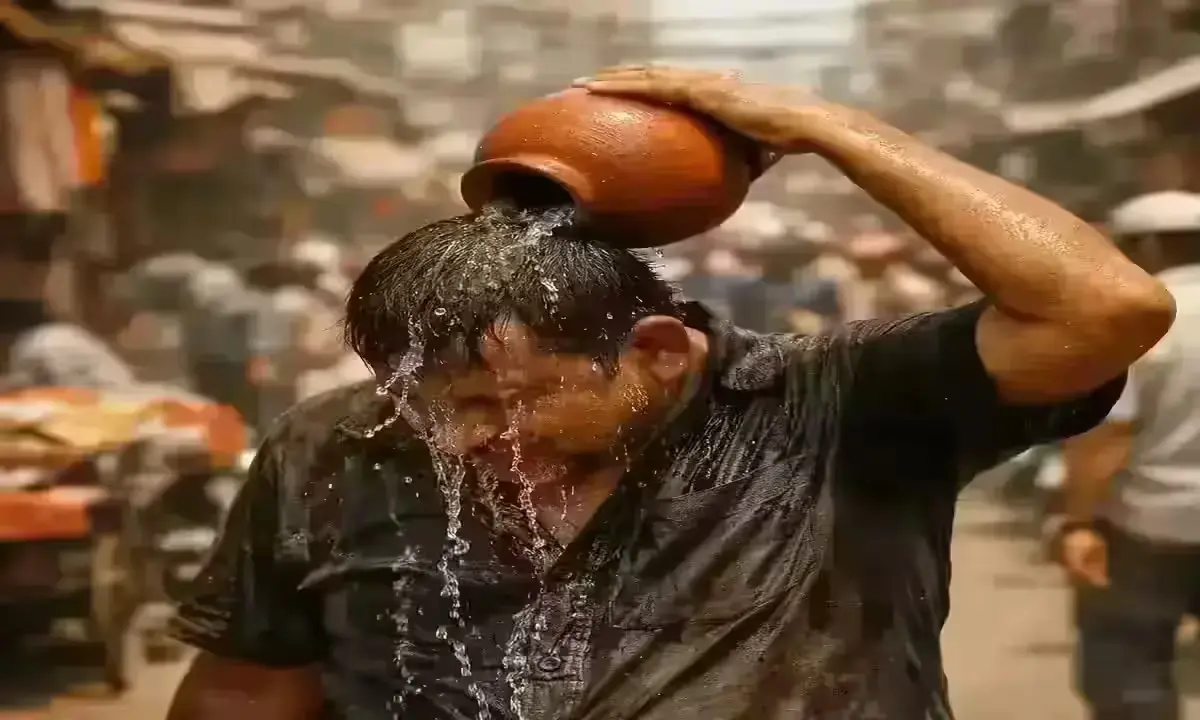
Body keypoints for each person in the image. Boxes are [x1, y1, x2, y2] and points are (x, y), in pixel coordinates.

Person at [166, 67, 1173, 720]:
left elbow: (1105, 308)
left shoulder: (837, 404)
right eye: (430, 404)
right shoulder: (336, 444)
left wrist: (836, 131)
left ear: (654, 350)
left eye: (504, 402)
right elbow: (250, 684)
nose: (461, 438)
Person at [1060, 190, 1200, 720]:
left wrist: (1078, 523)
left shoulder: (1134, 319)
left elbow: (1107, 437)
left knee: (1128, 671)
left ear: (1145, 247)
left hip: (1148, 526)